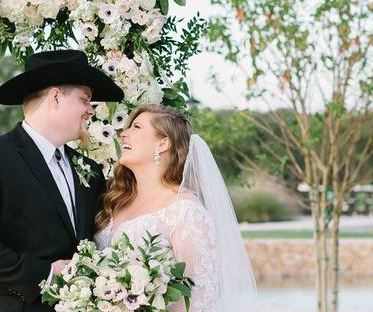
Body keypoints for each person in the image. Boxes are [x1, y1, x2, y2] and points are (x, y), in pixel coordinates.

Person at [0, 49, 124, 312]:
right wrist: (46, 273)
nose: (91, 111)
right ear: (55, 97)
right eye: (85, 100)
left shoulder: (88, 170)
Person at [94, 105, 258, 312]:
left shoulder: (185, 211)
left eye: (136, 127)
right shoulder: (115, 200)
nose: (123, 133)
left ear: (163, 143)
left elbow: (199, 298)